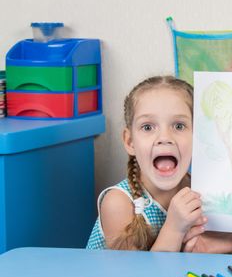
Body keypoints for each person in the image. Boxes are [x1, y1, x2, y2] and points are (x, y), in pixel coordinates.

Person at [86, 75, 207, 251]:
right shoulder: (118, 203)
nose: (165, 138)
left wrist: (231, 241)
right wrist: (174, 229)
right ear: (130, 142)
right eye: (148, 127)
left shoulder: (200, 193)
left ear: (198, 138)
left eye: (179, 126)